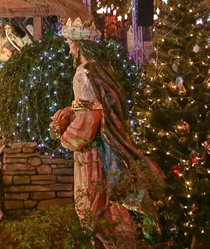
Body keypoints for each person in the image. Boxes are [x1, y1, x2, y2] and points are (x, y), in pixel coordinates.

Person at [51, 19, 162, 248]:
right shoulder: (102, 68)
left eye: (71, 43)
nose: (70, 48)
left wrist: (65, 135)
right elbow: (95, 105)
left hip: (92, 151)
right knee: (107, 199)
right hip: (107, 144)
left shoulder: (83, 73)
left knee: (92, 200)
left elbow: (90, 117)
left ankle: (104, 241)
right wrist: (74, 109)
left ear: (81, 45)